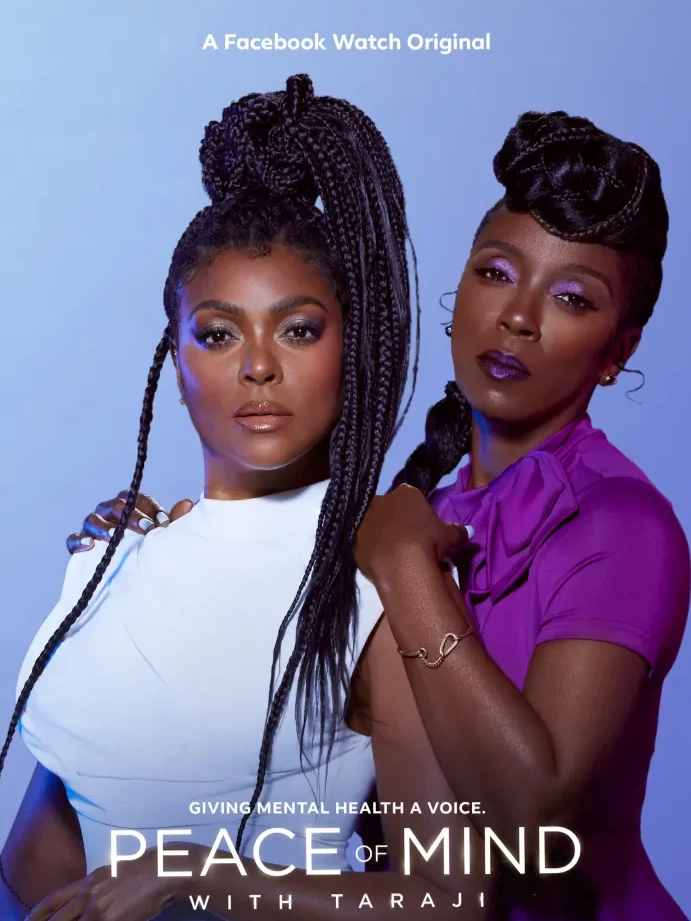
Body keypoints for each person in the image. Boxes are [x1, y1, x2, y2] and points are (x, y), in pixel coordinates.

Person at [76, 110, 690, 919]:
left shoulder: (620, 528)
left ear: (618, 350)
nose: (516, 316)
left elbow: (537, 824)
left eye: (571, 299)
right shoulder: (418, 507)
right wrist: (175, 565)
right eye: (495, 273)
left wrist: (405, 571)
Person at [0, 75, 488, 921]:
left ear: (352, 345)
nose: (257, 365)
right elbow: (34, 856)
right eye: (218, 333)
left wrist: (201, 875)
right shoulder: (117, 555)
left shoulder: (376, 572)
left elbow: (451, 898)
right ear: (175, 360)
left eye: (298, 328)